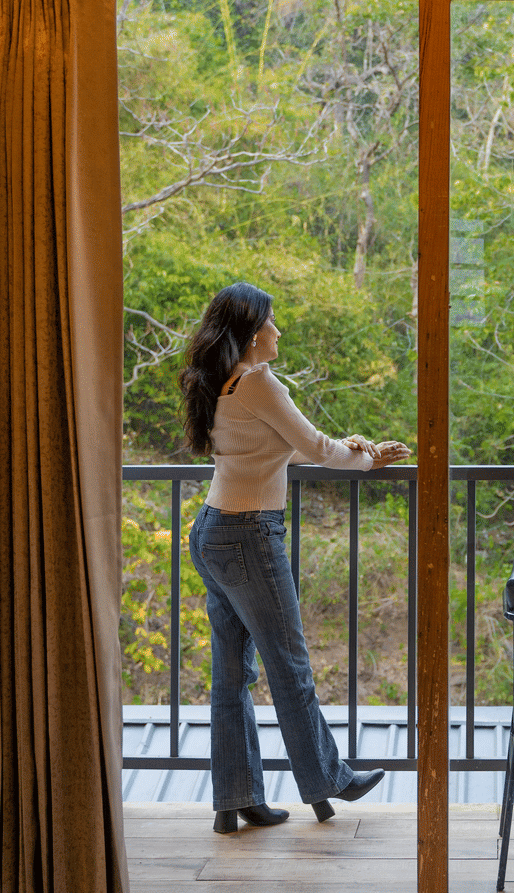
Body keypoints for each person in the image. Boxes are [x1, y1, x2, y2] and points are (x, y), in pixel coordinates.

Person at [179, 281, 411, 834]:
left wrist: (347, 448)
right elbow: (315, 450)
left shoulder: (221, 379)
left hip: (213, 531)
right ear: (253, 333)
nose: (279, 331)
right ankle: (330, 779)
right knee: (290, 666)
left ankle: (236, 800)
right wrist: (369, 459)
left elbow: (302, 443)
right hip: (249, 534)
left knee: (231, 676)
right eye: (272, 323)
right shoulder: (258, 382)